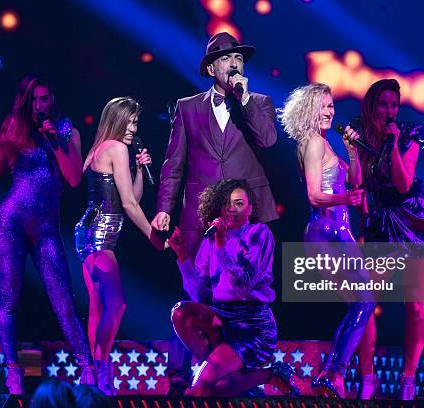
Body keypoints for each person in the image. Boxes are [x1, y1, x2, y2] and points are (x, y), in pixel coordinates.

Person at [152, 31, 279, 394]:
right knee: (196, 292)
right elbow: (173, 165)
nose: (234, 64)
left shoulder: (260, 103)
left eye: (239, 58)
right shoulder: (188, 107)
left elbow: (268, 140)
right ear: (211, 67)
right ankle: (190, 376)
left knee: (245, 290)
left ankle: (245, 370)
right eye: (226, 59)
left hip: (244, 220)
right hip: (201, 218)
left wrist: (247, 99)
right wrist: (164, 209)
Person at [0, 74, 94, 393]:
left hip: (46, 231)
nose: (39, 105)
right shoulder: (13, 129)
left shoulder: (67, 130)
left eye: (44, 98)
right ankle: (13, 370)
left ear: (53, 100)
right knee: (9, 299)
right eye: (34, 99)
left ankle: (87, 367)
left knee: (64, 301)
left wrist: (55, 141)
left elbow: (73, 178)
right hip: (10, 225)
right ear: (26, 102)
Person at [279, 83, 376, 398]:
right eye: (324, 106)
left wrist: (351, 151)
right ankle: (334, 373)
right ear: (310, 109)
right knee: (364, 302)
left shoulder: (326, 143)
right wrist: (346, 198)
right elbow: (314, 195)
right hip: (327, 231)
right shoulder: (313, 144)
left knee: (358, 305)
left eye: (332, 106)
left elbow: (357, 181)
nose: (331, 111)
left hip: (339, 230)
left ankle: (331, 374)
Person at [355, 78, 424, 400]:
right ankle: (368, 379)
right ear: (371, 106)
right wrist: (363, 227)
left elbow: (404, 183)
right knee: (364, 303)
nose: (390, 111)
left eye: (394, 105)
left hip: (413, 220)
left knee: (415, 305)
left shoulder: (409, 134)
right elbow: (361, 185)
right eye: (383, 104)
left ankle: (408, 381)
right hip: (381, 224)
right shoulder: (360, 136)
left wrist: (392, 143)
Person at [168, 179, 298, 397]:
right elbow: (198, 294)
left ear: (250, 209)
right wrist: (181, 255)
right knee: (182, 312)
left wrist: (221, 246)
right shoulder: (210, 240)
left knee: (200, 389)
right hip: (221, 319)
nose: (232, 208)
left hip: (251, 327)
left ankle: (267, 374)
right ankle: (242, 374)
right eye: (227, 204)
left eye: (239, 203)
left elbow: (243, 284)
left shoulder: (259, 234)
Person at [74, 97, 158, 395]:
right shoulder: (116, 148)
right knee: (117, 304)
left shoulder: (102, 148)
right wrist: (153, 236)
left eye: (137, 123)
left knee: (98, 307)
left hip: (88, 235)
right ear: (118, 119)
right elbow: (129, 204)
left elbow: (128, 196)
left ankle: (90, 377)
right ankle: (100, 368)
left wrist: (137, 172)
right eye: (131, 121)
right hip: (98, 237)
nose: (134, 129)